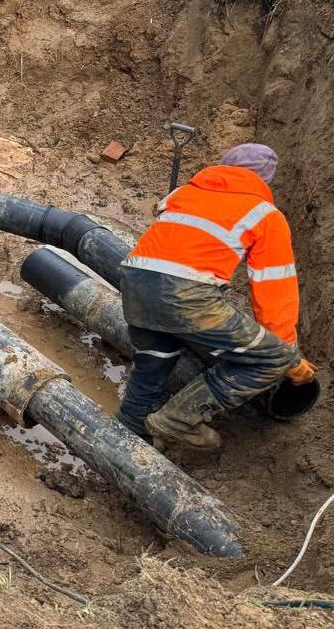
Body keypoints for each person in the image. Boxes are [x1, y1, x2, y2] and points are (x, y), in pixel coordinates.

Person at [115, 143, 316, 451]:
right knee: (273, 358)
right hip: (186, 293)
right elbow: (274, 289)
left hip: (134, 280)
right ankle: (178, 419)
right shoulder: (264, 214)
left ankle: (124, 443)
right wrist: (288, 355)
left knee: (154, 363)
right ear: (264, 180)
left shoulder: (182, 194)